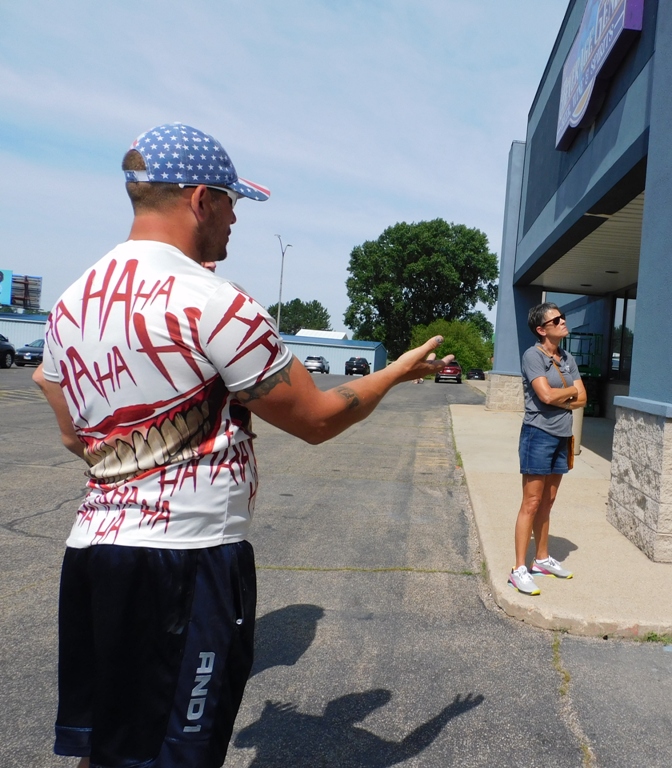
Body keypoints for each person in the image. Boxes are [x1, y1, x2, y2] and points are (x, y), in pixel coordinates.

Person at [32, 122, 453, 768]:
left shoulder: (72, 303)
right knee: (176, 753)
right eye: (231, 203)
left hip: (93, 553)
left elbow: (70, 429)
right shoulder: (214, 303)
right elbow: (316, 419)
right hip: (185, 560)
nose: (235, 219)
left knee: (108, 746)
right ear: (201, 199)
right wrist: (394, 372)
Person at [508, 303, 587, 596]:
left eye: (562, 317)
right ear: (542, 329)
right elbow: (544, 395)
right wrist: (570, 392)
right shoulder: (533, 356)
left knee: (548, 501)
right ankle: (519, 569)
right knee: (531, 501)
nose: (563, 321)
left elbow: (583, 398)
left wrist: (562, 395)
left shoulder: (567, 358)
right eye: (556, 320)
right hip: (538, 434)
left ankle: (541, 560)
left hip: (562, 435)